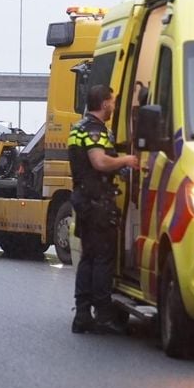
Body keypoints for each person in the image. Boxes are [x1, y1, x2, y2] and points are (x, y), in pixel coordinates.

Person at [68, 84, 139, 334]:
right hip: (98, 203)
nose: (115, 106)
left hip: (84, 200)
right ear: (105, 103)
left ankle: (83, 313)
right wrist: (126, 161)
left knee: (88, 258)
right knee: (102, 259)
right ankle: (103, 314)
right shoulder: (95, 131)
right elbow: (99, 162)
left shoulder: (78, 128)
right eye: (113, 101)